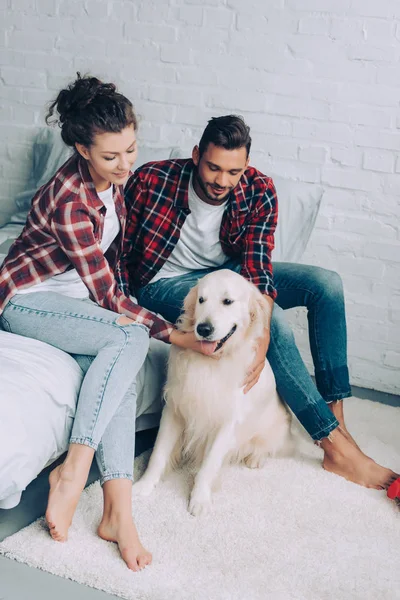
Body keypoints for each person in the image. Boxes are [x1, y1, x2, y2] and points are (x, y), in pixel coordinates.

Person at [0, 74, 216, 571]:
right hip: (27, 301)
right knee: (131, 334)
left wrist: (155, 325)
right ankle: (75, 471)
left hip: (74, 302)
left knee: (121, 371)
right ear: (81, 148)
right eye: (110, 156)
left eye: (131, 150)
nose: (125, 165)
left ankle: (120, 514)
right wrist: (174, 333)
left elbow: (112, 266)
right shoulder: (69, 197)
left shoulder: (112, 183)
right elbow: (107, 295)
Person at [118, 114, 398, 492]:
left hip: (228, 275)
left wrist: (260, 328)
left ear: (245, 166)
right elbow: (117, 250)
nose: (221, 181)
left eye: (233, 172)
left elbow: (258, 267)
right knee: (278, 320)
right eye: (213, 167)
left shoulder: (258, 189)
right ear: (196, 155)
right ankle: (332, 446)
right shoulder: (153, 180)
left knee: (324, 285)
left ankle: (337, 418)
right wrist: (119, 302)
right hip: (164, 282)